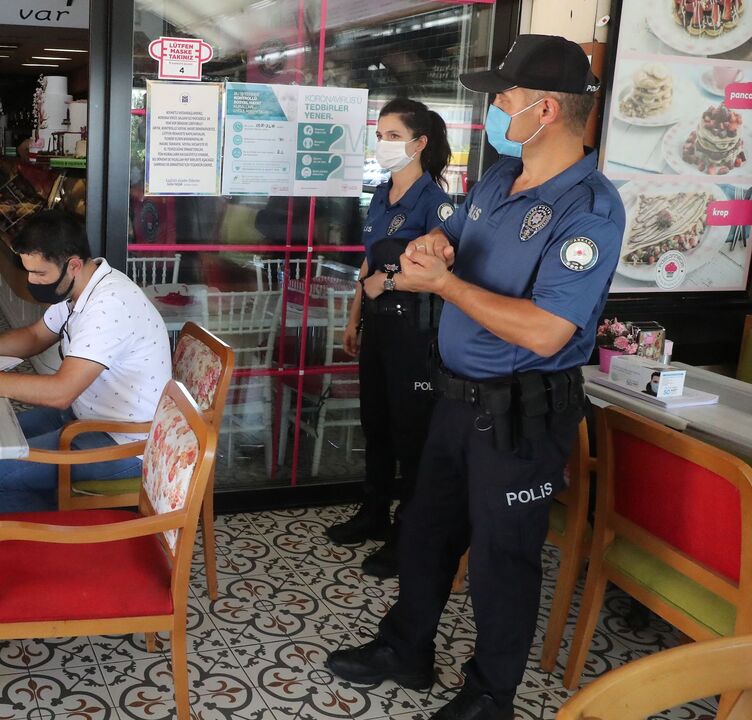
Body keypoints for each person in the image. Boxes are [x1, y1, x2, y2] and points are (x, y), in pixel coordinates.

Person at [326, 35, 624, 720]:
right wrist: (435, 246)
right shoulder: (500, 176)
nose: (495, 107)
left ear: (545, 109)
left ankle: (491, 695)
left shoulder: (589, 209)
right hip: (457, 401)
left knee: (501, 561)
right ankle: (407, 649)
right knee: (428, 532)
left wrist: (448, 287)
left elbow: (549, 330)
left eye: (504, 97)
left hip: (519, 416)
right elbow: (452, 238)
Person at [0, 210, 171, 513]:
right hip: (85, 417)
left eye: (39, 274)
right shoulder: (81, 287)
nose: (31, 280)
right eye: (28, 271)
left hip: (125, 442)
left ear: (74, 265)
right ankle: (49, 521)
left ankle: (58, 538)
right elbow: (36, 335)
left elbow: (59, 392)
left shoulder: (109, 306)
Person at [329, 98, 455, 579]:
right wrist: (353, 316)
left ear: (419, 143)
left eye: (392, 136)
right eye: (379, 135)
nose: (382, 144)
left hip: (414, 332)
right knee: (375, 424)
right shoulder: (382, 195)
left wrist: (389, 283)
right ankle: (373, 513)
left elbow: (443, 266)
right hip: (378, 325)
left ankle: (410, 533)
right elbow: (367, 265)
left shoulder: (435, 202)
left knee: (410, 436)